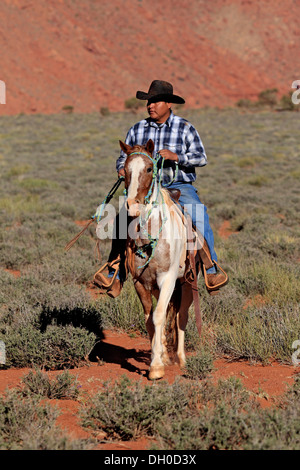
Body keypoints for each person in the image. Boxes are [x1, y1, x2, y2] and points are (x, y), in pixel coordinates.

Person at [94, 80, 227, 297]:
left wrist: (177, 157)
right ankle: (115, 272)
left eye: (155, 101)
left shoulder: (184, 128)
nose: (150, 106)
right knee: (121, 220)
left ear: (168, 103)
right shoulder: (137, 129)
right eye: (148, 102)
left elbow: (201, 157)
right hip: (144, 190)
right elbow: (123, 157)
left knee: (198, 214)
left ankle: (211, 269)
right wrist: (122, 169)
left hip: (177, 186)